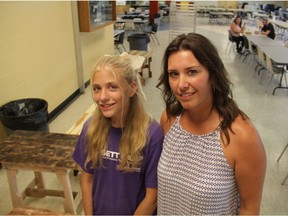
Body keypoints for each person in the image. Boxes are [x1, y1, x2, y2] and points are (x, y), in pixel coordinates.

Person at [156, 33, 266, 215]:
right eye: (173, 74)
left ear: (213, 75)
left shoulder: (241, 136)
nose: (181, 84)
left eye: (192, 72)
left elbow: (249, 208)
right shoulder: (169, 119)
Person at [73, 53, 164, 215]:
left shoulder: (152, 134)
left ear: (132, 88)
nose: (103, 97)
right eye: (97, 89)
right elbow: (86, 179)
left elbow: (152, 197)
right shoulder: (90, 128)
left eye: (112, 87)